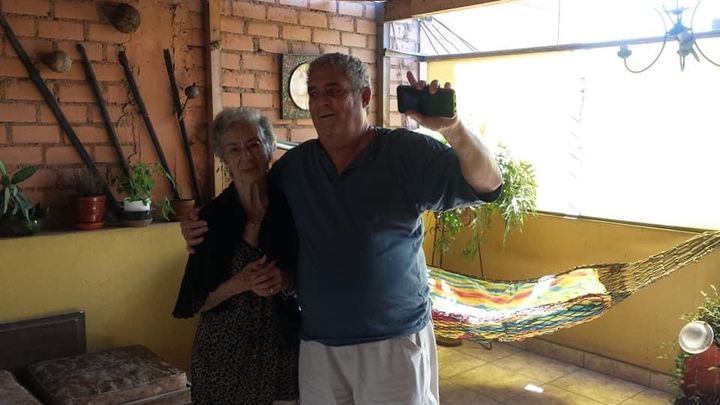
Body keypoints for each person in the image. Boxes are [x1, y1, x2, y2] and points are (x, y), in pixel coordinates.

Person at [181, 53, 503, 405]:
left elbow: (489, 184)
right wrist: (197, 223)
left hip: (392, 343)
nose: (321, 101)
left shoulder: (404, 152)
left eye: (333, 90)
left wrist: (452, 128)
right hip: (319, 347)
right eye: (314, 93)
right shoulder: (297, 166)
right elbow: (246, 199)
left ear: (364, 97)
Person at [172, 107, 299, 405]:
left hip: (280, 352)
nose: (246, 156)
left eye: (254, 144)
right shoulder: (210, 219)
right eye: (234, 149)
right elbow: (196, 302)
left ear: (268, 148)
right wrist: (239, 283)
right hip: (223, 357)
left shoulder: (291, 210)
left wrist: (284, 280)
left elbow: (308, 274)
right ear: (224, 159)